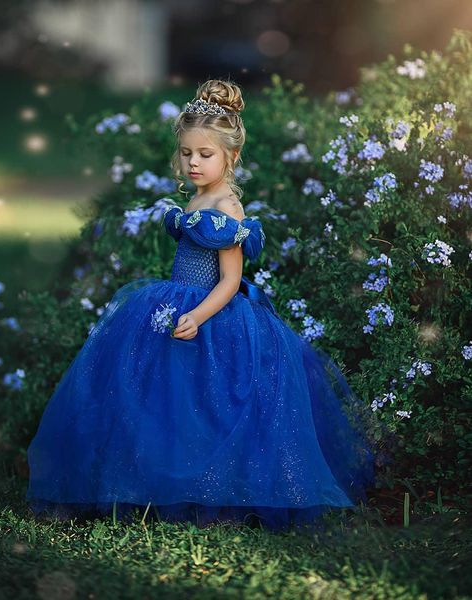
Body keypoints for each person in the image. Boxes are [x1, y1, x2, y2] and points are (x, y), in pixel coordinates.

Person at [26, 79, 379, 532]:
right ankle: (153, 485)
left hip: (212, 315)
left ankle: (215, 496)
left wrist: (196, 315)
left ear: (229, 157)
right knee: (162, 399)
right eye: (187, 153)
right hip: (174, 303)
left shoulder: (227, 208)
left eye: (205, 154)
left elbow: (231, 281)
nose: (193, 162)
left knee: (210, 404)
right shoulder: (198, 196)